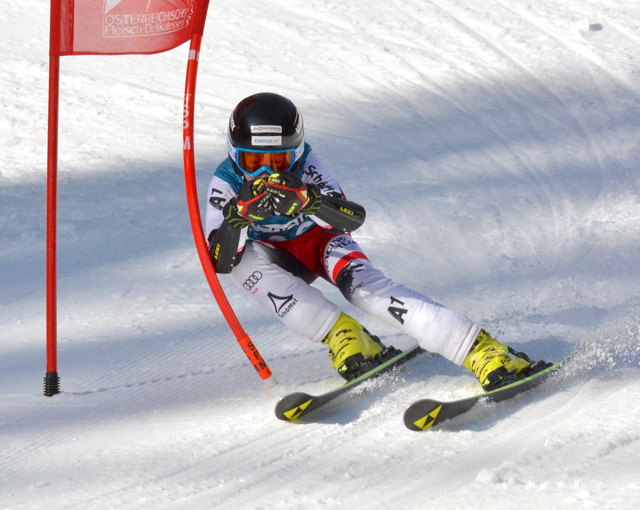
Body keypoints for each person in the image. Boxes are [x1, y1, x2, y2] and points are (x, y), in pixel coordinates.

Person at [205, 92, 551, 390]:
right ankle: (343, 334)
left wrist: (310, 202)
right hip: (275, 256)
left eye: (279, 161)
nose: (267, 173)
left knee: (367, 292)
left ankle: (481, 351)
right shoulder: (226, 182)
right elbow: (220, 261)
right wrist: (236, 218)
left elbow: (350, 220)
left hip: (321, 243)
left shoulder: (308, 165)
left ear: (295, 153)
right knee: (243, 266)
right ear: (235, 154)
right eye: (254, 161)